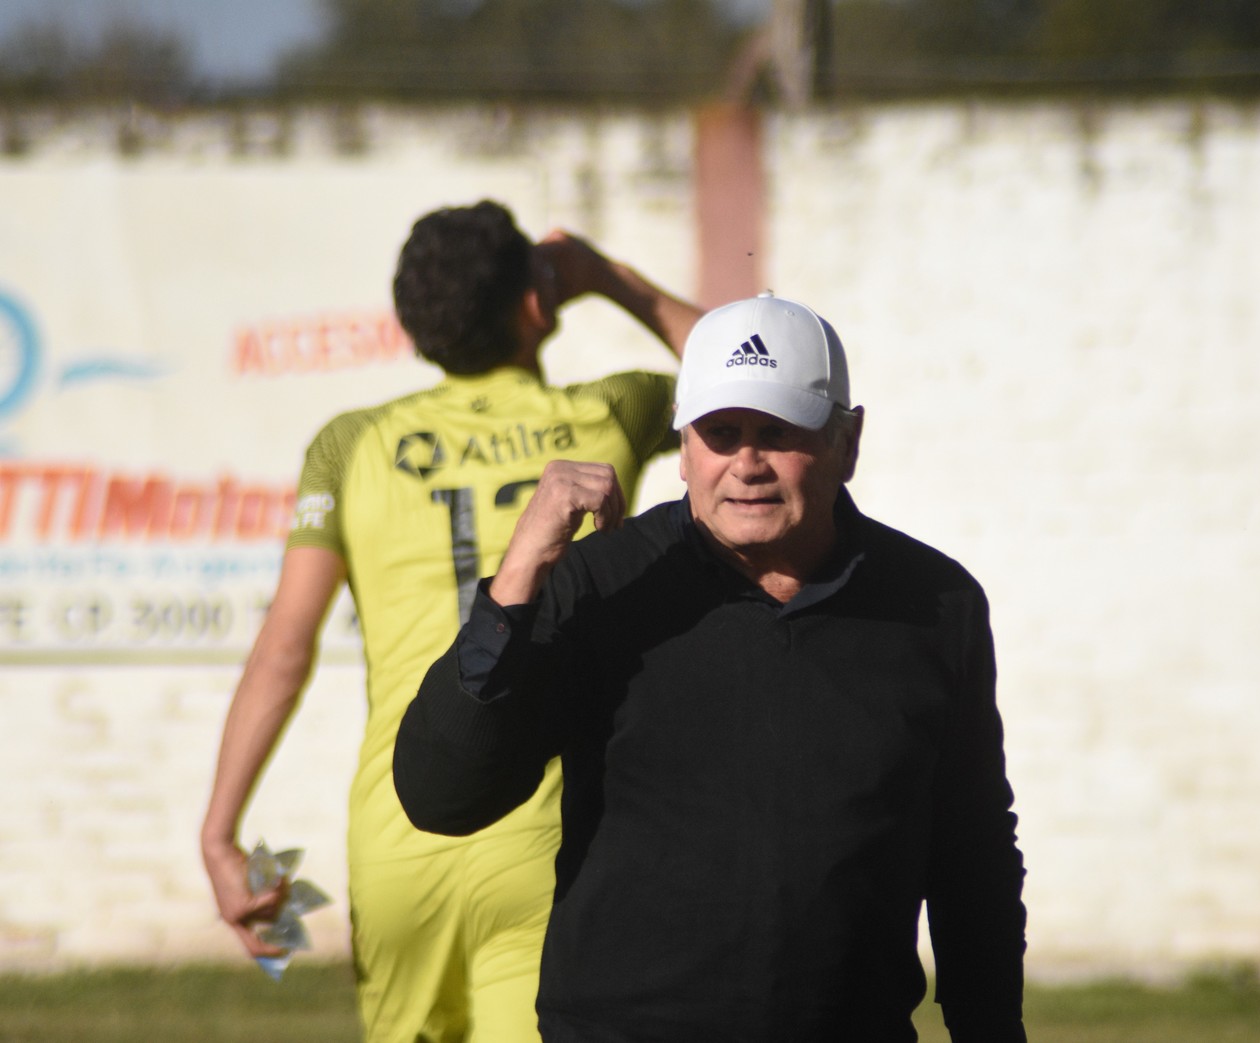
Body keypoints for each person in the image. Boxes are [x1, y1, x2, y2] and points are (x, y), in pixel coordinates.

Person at [394, 292, 1029, 1042]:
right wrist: (518, 576)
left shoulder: (935, 602)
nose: (747, 465)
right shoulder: (600, 583)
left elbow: (972, 850)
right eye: (721, 433)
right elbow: (442, 796)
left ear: (847, 440)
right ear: (684, 446)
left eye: (778, 432)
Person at [200, 199, 703, 1043]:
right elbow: (754, 368)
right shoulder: (610, 410)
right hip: (541, 834)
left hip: (397, 836)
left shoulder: (350, 443)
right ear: (535, 303)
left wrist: (220, 832)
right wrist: (608, 278)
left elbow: (284, 650)